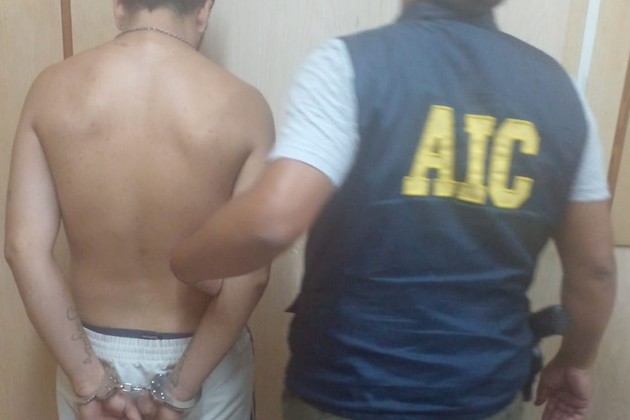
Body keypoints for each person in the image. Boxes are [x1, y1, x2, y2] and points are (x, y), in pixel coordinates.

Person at [170, 0, 617, 419]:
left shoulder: (351, 65)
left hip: (345, 392)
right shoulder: (562, 96)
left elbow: (271, 223)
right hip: (484, 396)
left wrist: (183, 263)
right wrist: (576, 361)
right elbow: (595, 270)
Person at [4, 0, 274, 418]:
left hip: (89, 355)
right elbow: (251, 277)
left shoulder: (50, 91)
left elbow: (23, 249)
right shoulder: (246, 107)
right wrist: (179, 391)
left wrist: (87, 380)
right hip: (205, 360)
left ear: (118, 7)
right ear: (204, 9)